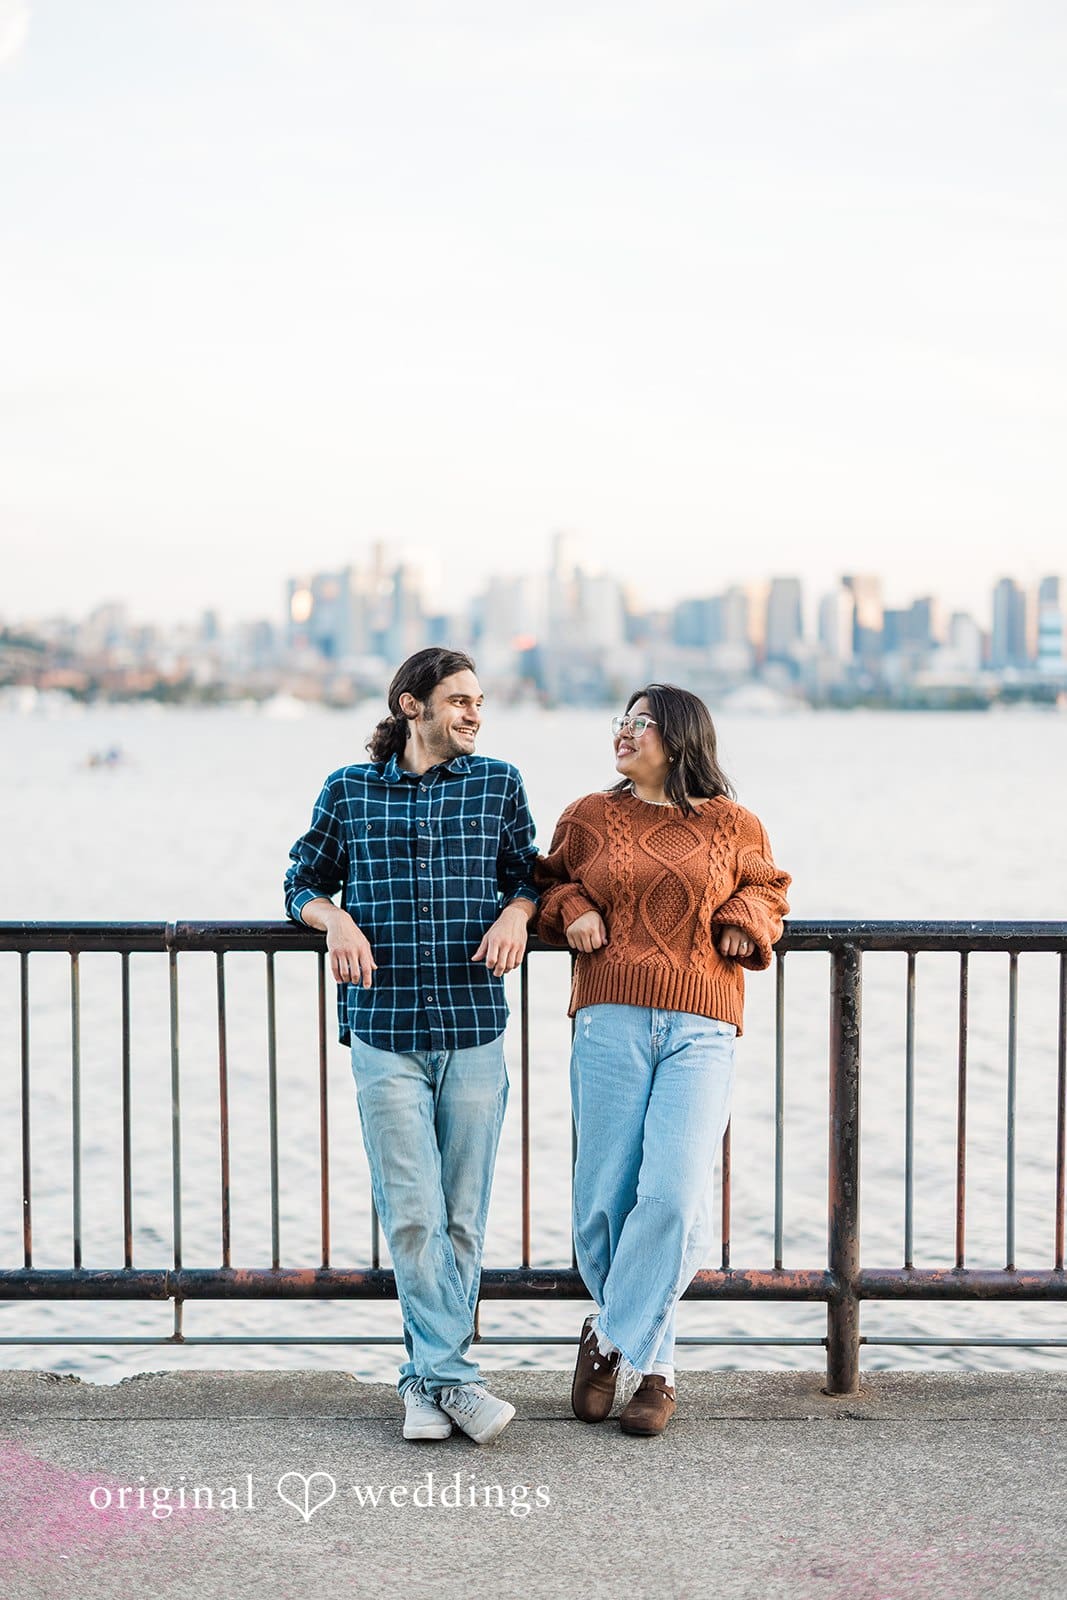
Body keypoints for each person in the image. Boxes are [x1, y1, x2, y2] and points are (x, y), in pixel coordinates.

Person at [284, 647, 539, 1445]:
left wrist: (519, 914)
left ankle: (423, 1382)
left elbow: (530, 874)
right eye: (458, 700)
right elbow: (301, 882)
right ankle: (455, 1381)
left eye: (479, 701)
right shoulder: (349, 790)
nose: (473, 714)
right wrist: (337, 920)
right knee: (411, 1215)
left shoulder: (498, 783)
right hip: (384, 1029)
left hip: (472, 1029)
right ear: (410, 706)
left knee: (462, 1216)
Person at [535, 683, 790, 1437]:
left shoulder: (733, 823)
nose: (623, 731)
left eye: (640, 723)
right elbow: (546, 883)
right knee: (605, 1200)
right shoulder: (588, 815)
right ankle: (654, 1368)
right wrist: (571, 910)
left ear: (679, 738)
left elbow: (768, 887)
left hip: (700, 1023)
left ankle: (613, 1343)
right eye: (620, 719)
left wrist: (744, 920)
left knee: (673, 1196)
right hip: (610, 1016)